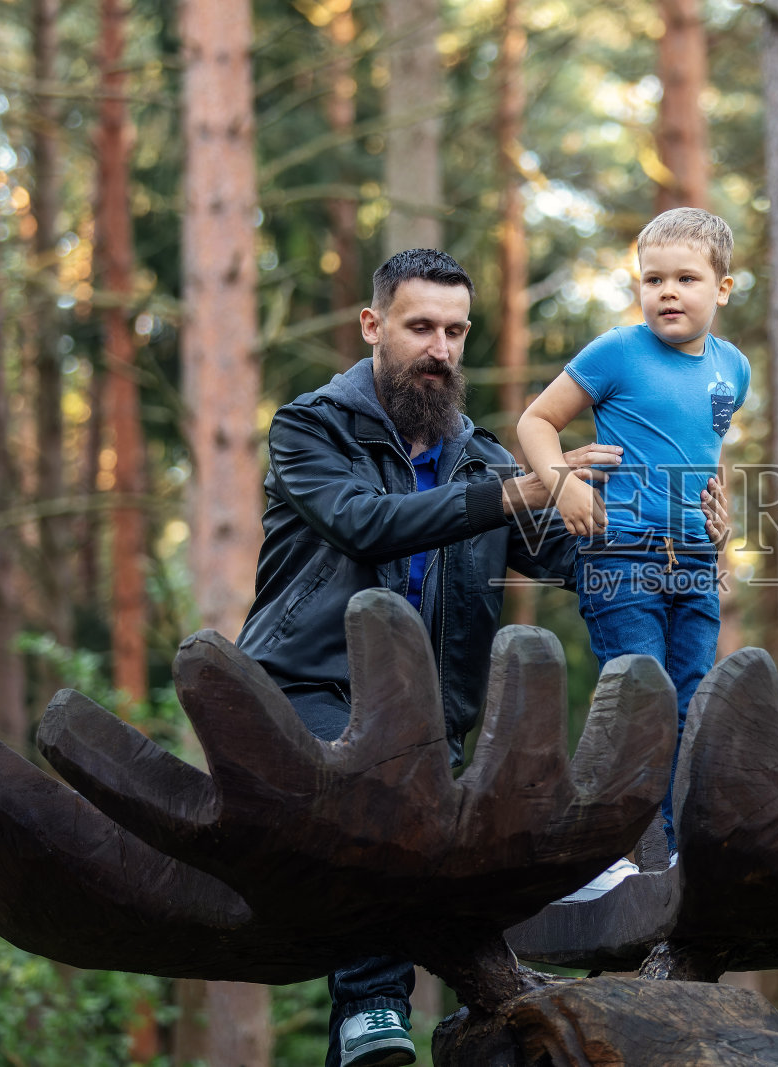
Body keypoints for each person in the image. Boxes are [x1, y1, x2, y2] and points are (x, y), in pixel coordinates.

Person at [236, 248, 727, 1067]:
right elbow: (365, 522)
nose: (441, 349)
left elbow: (578, 553)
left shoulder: (481, 454)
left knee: (488, 824)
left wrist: (682, 532)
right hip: (304, 692)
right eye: (421, 327)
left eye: (456, 331)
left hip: (433, 722)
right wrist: (517, 490)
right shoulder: (311, 427)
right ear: (373, 325)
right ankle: (371, 1004)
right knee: (383, 789)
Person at [516, 208, 750, 866]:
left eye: (686, 279)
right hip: (621, 555)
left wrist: (721, 520)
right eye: (653, 279)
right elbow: (536, 421)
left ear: (722, 289)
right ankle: (608, 853)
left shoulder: (733, 369)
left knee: (689, 703)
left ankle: (667, 852)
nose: (667, 292)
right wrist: (562, 485)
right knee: (637, 699)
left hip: (696, 563)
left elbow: (703, 454)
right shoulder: (617, 352)